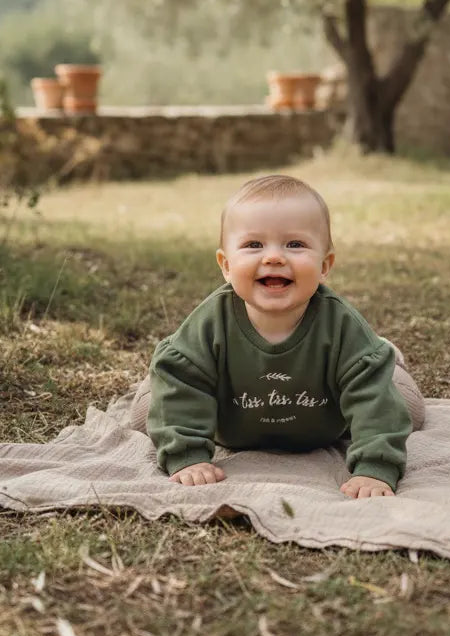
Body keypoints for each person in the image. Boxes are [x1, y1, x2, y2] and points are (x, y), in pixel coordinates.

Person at [146, 174, 425, 499]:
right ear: (225, 265)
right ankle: (156, 381)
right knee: (151, 408)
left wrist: (375, 468)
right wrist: (185, 455)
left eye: (295, 244)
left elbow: (373, 399)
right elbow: (181, 380)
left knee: (405, 407)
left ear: (324, 265)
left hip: (325, 426)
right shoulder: (212, 322)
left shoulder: (339, 325)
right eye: (253, 245)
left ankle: (387, 356)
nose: (274, 257)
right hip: (231, 426)